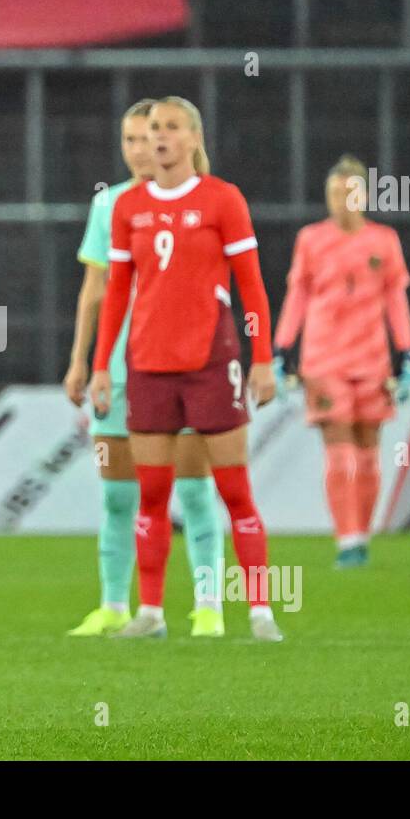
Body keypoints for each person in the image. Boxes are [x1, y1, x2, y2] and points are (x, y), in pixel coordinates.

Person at [90, 96, 284, 642]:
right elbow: (116, 294)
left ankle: (261, 611)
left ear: (194, 138)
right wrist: (101, 366)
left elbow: (252, 285)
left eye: (171, 128)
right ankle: (150, 613)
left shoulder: (223, 199)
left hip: (210, 363)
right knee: (150, 496)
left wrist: (263, 359)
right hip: (147, 367)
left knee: (234, 492)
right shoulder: (127, 208)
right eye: (154, 128)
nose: (159, 138)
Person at [63, 98, 229, 639]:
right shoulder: (110, 205)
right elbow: (94, 291)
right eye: (130, 140)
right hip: (116, 369)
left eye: (149, 136)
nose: (141, 149)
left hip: (181, 366)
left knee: (195, 489)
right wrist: (80, 362)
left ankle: (208, 606)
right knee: (118, 494)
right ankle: (115, 604)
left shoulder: (204, 201)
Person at [272, 154, 410, 568]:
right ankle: (346, 538)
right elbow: (298, 294)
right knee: (339, 451)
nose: (341, 200)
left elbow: (395, 298)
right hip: (323, 360)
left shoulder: (384, 240)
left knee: (369, 452)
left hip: (372, 360)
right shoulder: (311, 239)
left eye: (350, 192)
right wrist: (282, 349)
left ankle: (362, 535)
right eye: (335, 193)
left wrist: (406, 353)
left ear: (365, 195)